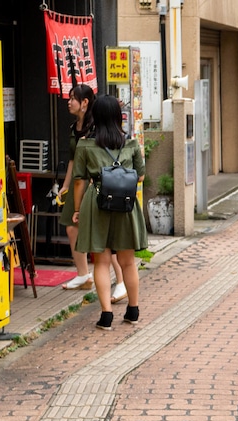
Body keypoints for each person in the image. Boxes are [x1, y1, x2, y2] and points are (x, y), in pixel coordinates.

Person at [70, 94, 147, 329]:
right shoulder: (131, 144)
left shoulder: (85, 145)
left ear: (96, 116)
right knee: (128, 261)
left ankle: (106, 316)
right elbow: (141, 176)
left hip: (97, 201)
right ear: (117, 116)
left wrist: (76, 210)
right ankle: (132, 311)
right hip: (125, 203)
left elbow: (79, 181)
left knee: (101, 261)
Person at [58, 85, 126, 302]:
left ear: (85, 102)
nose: (69, 102)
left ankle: (121, 282)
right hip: (79, 180)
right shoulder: (73, 127)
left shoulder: (96, 126)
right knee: (71, 228)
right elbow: (72, 160)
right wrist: (65, 185)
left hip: (95, 181)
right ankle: (83, 274)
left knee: (105, 238)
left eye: (73, 99)